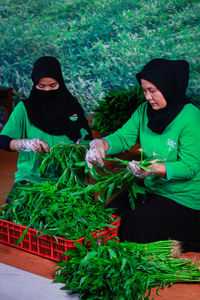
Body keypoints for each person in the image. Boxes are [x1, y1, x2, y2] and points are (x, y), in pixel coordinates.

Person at [86, 58, 200, 252]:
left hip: (182, 198)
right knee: (107, 217)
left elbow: (190, 167)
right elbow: (123, 138)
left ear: (169, 87)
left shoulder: (190, 117)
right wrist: (100, 145)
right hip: (150, 189)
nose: (147, 97)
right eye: (144, 90)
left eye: (152, 91)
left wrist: (154, 170)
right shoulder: (143, 111)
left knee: (132, 229)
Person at [0, 56, 92, 195]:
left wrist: (80, 147)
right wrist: (25, 143)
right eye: (41, 86)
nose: (47, 91)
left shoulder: (72, 109)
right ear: (34, 83)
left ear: (60, 82)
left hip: (66, 178)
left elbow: (87, 138)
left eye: (53, 86)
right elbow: (3, 140)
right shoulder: (24, 109)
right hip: (31, 178)